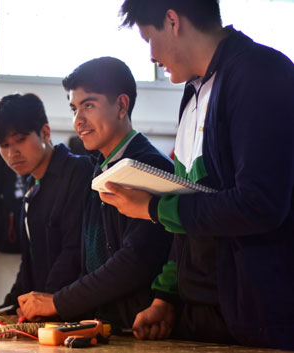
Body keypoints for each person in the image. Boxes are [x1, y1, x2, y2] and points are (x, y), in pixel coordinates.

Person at [109, 0, 294, 349]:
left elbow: (260, 204)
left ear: (173, 20)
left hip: (255, 317)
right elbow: (189, 200)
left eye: (149, 38)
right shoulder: (194, 90)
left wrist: (152, 209)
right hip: (198, 310)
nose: (150, 56)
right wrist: (165, 296)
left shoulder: (259, 73)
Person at [17, 57, 174, 332]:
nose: (79, 121)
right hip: (108, 327)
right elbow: (90, 262)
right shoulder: (101, 169)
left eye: (88, 105)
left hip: (141, 330)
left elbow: (135, 260)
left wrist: (58, 302)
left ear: (121, 106)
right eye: (74, 109)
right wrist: (61, 311)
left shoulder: (148, 167)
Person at [0, 93, 93, 317]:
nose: (12, 153)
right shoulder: (31, 185)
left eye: (20, 140)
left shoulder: (79, 171)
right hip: (44, 313)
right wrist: (8, 307)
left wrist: (46, 303)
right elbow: (29, 261)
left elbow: (74, 251)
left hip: (75, 312)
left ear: (45, 132)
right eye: (4, 145)